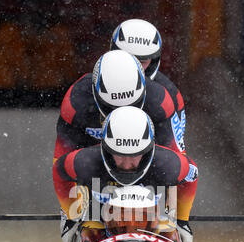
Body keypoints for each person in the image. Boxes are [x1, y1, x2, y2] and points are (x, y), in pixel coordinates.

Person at [53, 106, 198, 242]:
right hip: (99, 224)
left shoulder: (169, 165)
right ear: (106, 149)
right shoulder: (85, 162)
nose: (127, 164)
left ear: (148, 150)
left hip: (152, 228)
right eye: (119, 155)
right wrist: (70, 217)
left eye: (135, 156)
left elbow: (192, 176)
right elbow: (59, 172)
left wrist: (182, 221)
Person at [54, 49, 186, 176]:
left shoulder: (160, 102)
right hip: (96, 158)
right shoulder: (76, 103)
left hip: (141, 161)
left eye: (131, 104)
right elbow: (61, 161)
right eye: (112, 106)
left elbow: (176, 158)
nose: (121, 112)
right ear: (96, 94)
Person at [110, 19, 186, 148]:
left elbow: (173, 154)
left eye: (142, 61)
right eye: (128, 58)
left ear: (153, 61)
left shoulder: (170, 95)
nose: (134, 66)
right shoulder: (87, 86)